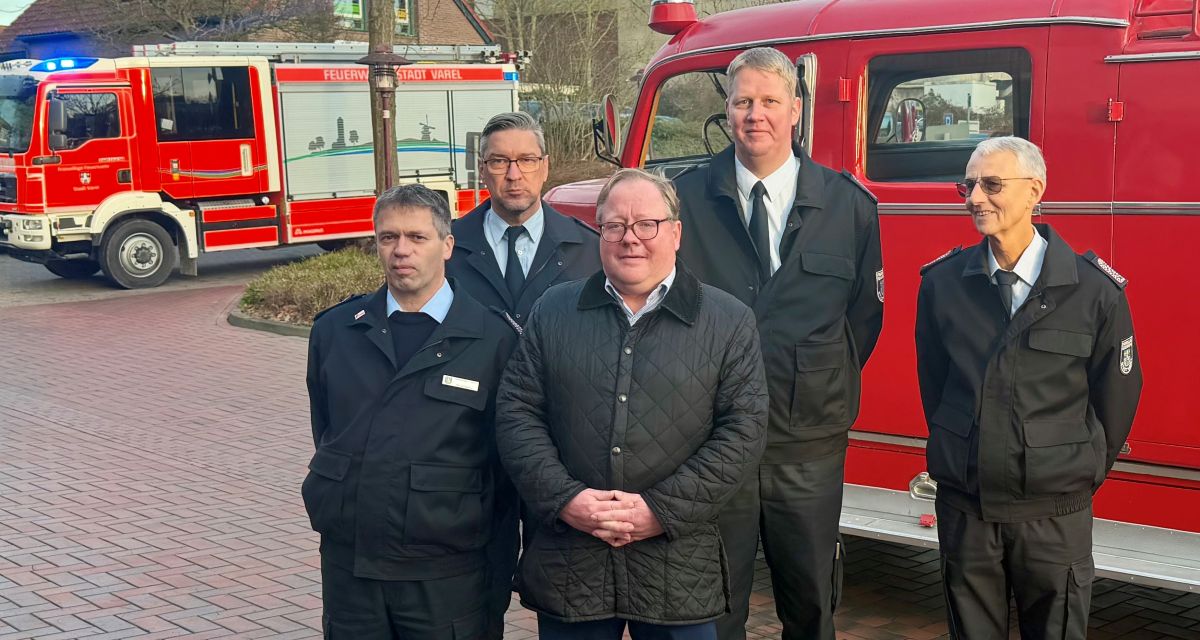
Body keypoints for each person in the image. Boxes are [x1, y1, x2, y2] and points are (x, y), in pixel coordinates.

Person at [495, 169, 768, 640]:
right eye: (615, 226)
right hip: (573, 560)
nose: (630, 239)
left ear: (676, 232)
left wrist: (659, 511)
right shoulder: (553, 311)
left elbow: (743, 432)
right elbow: (517, 413)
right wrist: (567, 500)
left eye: (647, 224)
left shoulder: (727, 321)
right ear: (599, 233)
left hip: (677, 563)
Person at [672, 47, 884, 640]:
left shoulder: (849, 206)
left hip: (808, 444)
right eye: (743, 102)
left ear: (796, 110)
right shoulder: (683, 201)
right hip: (710, 440)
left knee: (811, 604)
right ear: (727, 110)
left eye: (769, 101)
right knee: (715, 607)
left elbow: (861, 322)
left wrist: (814, 378)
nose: (755, 114)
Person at [915, 136, 1142, 639]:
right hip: (966, 509)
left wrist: (1073, 466)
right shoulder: (943, 284)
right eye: (968, 185)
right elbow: (935, 384)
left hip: (1053, 515)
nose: (975, 198)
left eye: (992, 185)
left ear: (1035, 190)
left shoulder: (1094, 292)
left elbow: (1117, 397)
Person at [303, 184, 519, 639]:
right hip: (352, 569)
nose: (401, 250)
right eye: (388, 237)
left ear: (447, 246)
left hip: (446, 576)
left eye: (417, 238)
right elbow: (327, 430)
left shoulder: (493, 339)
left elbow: (505, 470)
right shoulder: (335, 331)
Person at [446, 111, 601, 638]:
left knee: (561, 596)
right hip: (472, 444)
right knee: (473, 589)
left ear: (545, 166)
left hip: (557, 447)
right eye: (499, 161)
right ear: (482, 170)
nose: (514, 174)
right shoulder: (447, 246)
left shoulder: (586, 248)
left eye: (526, 160)